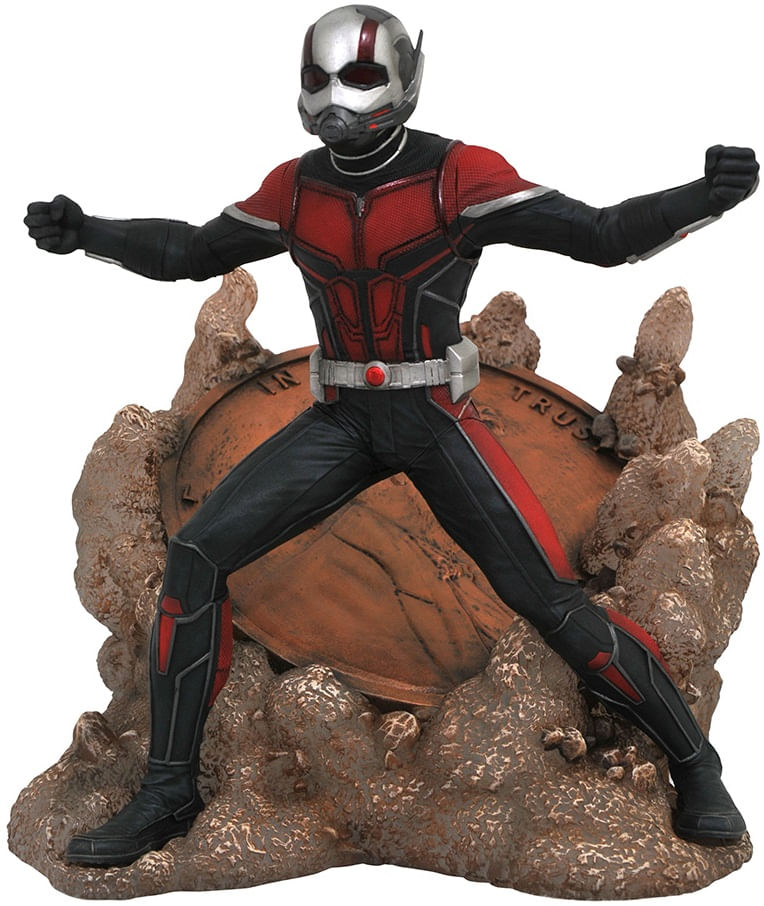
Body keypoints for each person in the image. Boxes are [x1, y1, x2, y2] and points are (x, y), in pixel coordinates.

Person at [25, 5, 759, 868]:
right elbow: (190, 250)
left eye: (362, 76)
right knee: (195, 555)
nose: (339, 98)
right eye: (320, 78)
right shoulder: (297, 188)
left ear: (407, 79)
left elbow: (599, 236)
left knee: (548, 598)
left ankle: (696, 765)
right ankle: (168, 789)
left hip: (433, 417)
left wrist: (703, 200)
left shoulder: (458, 176)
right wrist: (88, 234)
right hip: (341, 419)